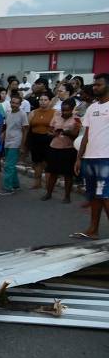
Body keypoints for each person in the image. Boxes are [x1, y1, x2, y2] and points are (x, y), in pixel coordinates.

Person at [72, 74, 109, 239]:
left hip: (106, 159)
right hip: (90, 158)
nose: (95, 87)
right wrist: (79, 158)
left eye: (99, 85)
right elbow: (86, 135)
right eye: (94, 85)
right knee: (94, 196)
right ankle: (93, 230)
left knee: (106, 196)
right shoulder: (92, 108)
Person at [42, 98, 81, 203]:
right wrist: (52, 134)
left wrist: (67, 132)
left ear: (72, 109)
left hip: (68, 149)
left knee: (68, 174)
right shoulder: (57, 115)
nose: (64, 112)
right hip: (54, 147)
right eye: (63, 110)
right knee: (52, 172)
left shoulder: (76, 120)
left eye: (67, 110)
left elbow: (77, 135)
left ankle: (67, 196)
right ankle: (48, 193)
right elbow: (49, 130)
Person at [0, 96, 29, 195]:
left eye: (16, 103)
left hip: (16, 141)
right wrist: (3, 134)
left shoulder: (22, 114)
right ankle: (15, 185)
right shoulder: (8, 112)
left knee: (8, 166)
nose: (14, 105)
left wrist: (22, 145)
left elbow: (25, 130)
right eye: (13, 102)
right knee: (11, 165)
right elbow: (8, 125)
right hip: (8, 141)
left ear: (20, 104)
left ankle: (8, 188)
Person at [26, 92, 55, 189]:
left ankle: (49, 184)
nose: (43, 102)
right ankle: (37, 183)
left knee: (47, 162)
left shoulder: (55, 113)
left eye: (45, 100)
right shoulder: (33, 112)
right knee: (37, 162)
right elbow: (27, 127)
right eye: (41, 100)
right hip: (35, 138)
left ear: (50, 101)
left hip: (48, 139)